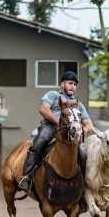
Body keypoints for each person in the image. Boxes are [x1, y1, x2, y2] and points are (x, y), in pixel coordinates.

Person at [18, 71, 93, 199]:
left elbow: (88, 123)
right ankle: (26, 177)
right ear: (62, 84)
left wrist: (81, 130)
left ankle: (83, 188)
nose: (73, 86)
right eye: (70, 83)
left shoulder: (78, 104)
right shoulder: (53, 95)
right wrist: (58, 123)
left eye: (75, 84)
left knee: (82, 155)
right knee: (39, 143)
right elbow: (43, 109)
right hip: (51, 126)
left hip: (70, 133)